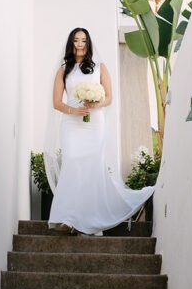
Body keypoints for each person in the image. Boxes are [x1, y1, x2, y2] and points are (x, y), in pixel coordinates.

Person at [45, 27, 154, 235]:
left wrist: (95, 104)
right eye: (76, 40)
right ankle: (68, 217)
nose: (80, 44)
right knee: (72, 164)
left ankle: (85, 218)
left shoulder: (100, 68)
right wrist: (74, 111)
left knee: (91, 169)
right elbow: (56, 102)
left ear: (88, 43)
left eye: (83, 40)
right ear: (71, 43)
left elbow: (109, 97)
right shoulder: (63, 70)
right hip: (71, 125)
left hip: (94, 124)